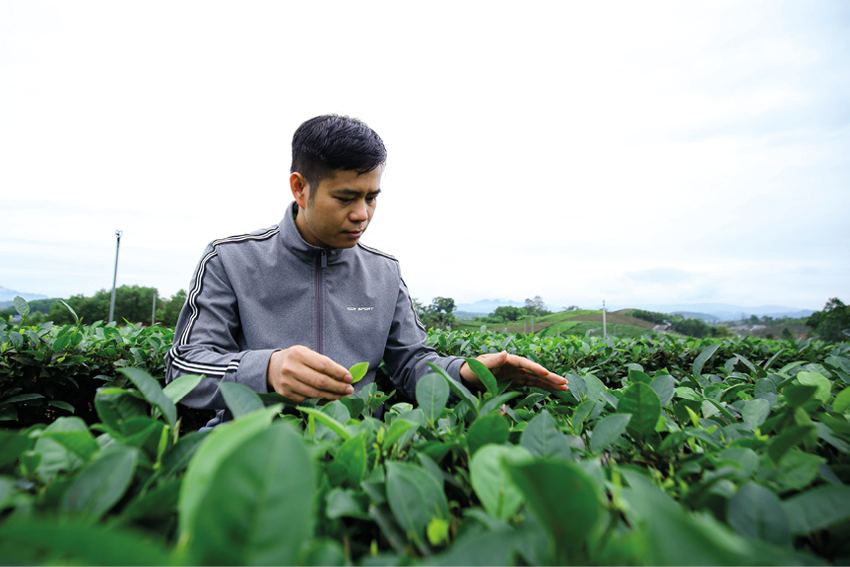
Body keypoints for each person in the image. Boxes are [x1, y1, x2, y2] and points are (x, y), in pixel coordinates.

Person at [165, 114, 567, 427]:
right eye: (345, 198)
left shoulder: (384, 273)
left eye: (372, 198)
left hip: (357, 455)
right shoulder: (230, 260)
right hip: (251, 452)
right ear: (299, 187)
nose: (362, 215)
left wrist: (468, 372)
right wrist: (265, 369)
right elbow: (182, 367)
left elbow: (411, 364)